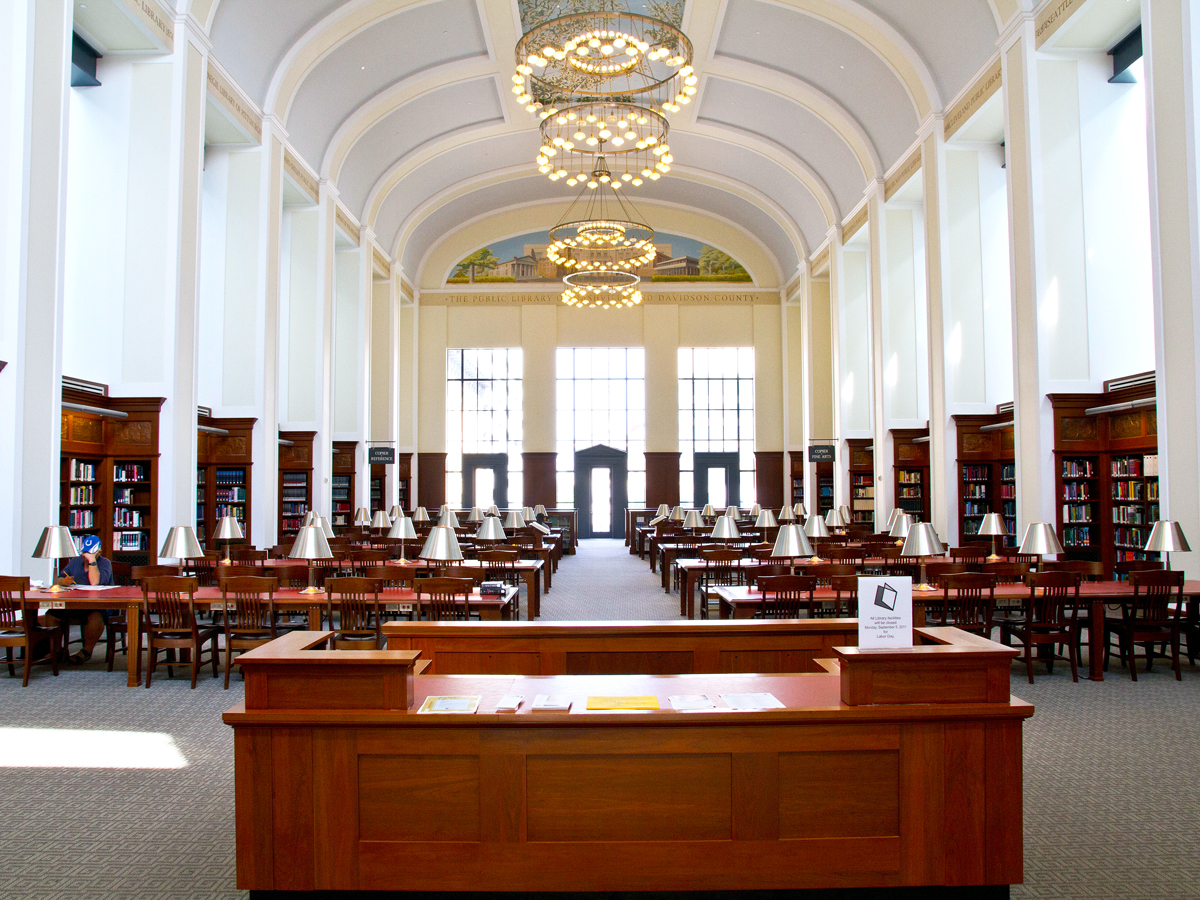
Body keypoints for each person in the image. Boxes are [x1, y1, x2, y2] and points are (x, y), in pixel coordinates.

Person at [44, 534, 115, 664]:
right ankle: (57, 650)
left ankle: (86, 651)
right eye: (84, 552)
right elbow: (59, 579)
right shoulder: (75, 561)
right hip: (75, 602)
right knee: (51, 614)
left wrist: (92, 560)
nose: (85, 555)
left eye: (89, 552)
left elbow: (95, 583)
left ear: (99, 551)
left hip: (97, 605)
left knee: (95, 617)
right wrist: (63, 581)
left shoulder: (105, 563)